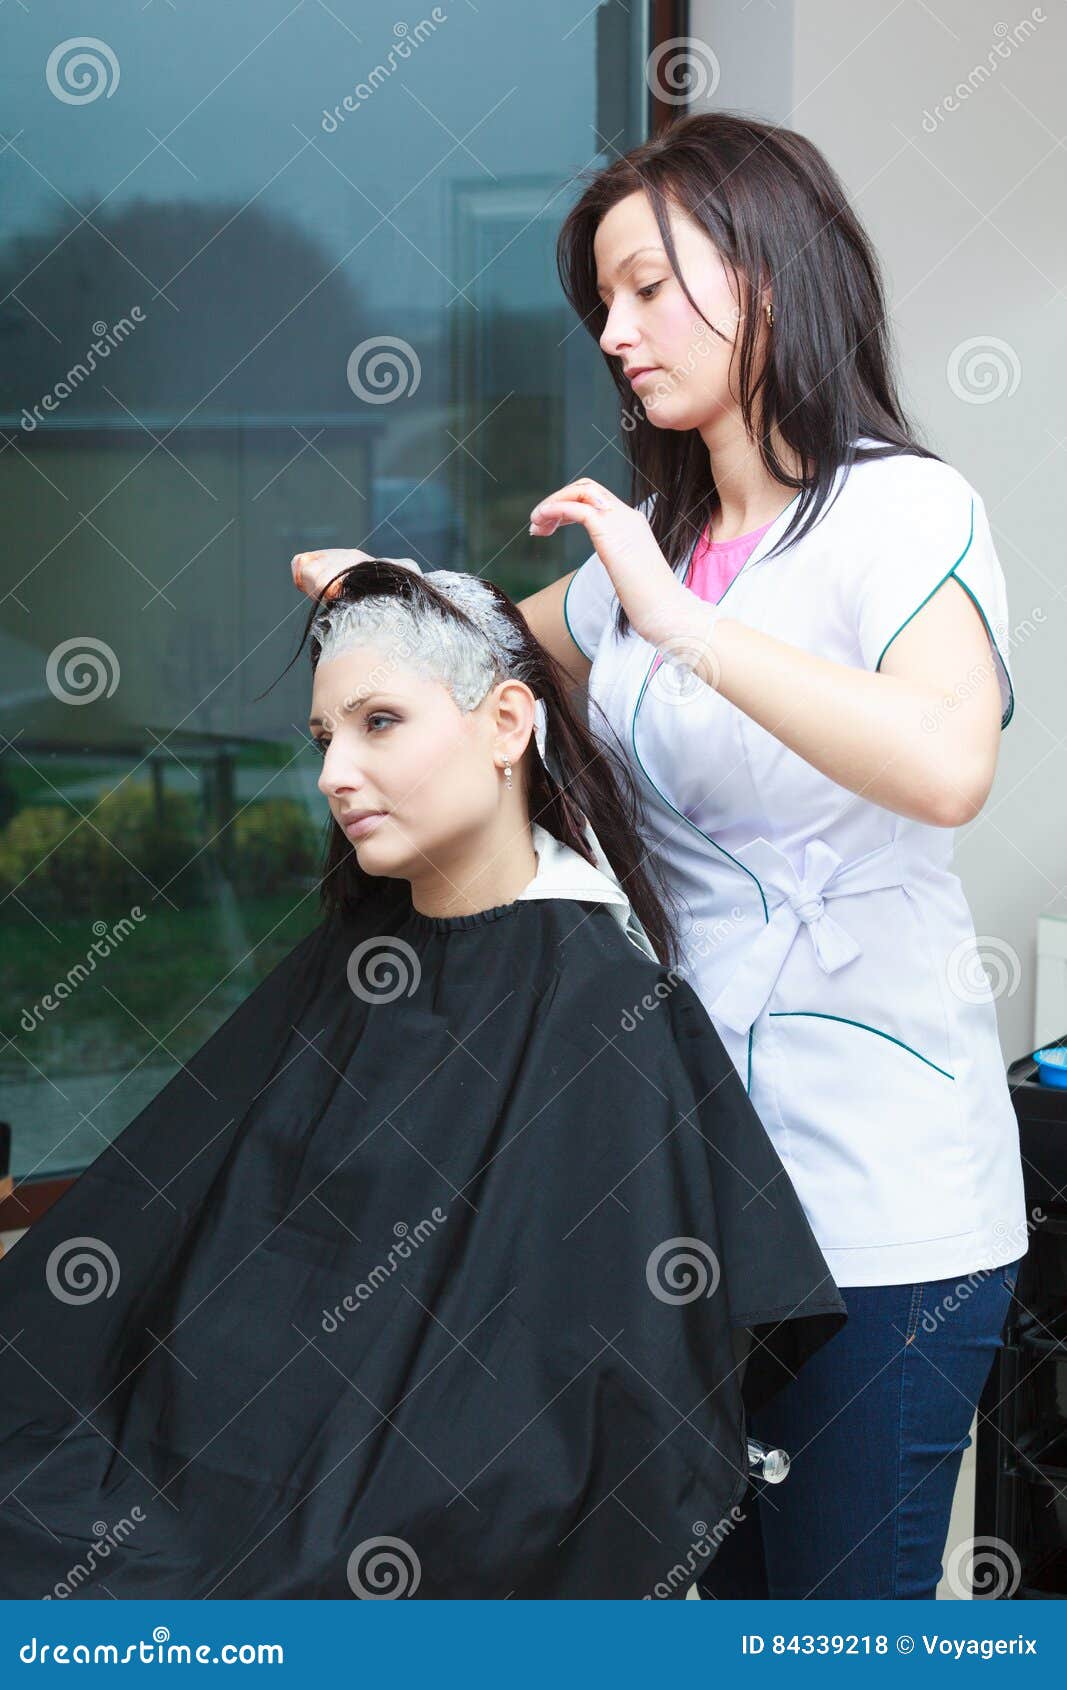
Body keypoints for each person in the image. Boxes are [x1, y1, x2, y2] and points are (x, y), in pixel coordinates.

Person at [289, 110, 1029, 1600]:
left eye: (646, 288)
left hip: (878, 1192)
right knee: (713, 1608)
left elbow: (947, 763)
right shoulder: (662, 545)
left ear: (767, 272)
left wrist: (673, 615)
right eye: (601, 305)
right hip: (695, 1188)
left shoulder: (895, 510)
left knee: (835, 1621)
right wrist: (385, 603)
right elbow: (491, 653)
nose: (615, 334)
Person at [0, 560, 846, 1600]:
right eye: (324, 739)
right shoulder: (354, 962)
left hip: (412, 1531)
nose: (331, 775)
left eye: (378, 724)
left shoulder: (601, 1012)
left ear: (504, 725)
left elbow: (575, 1405)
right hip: (223, 1479)